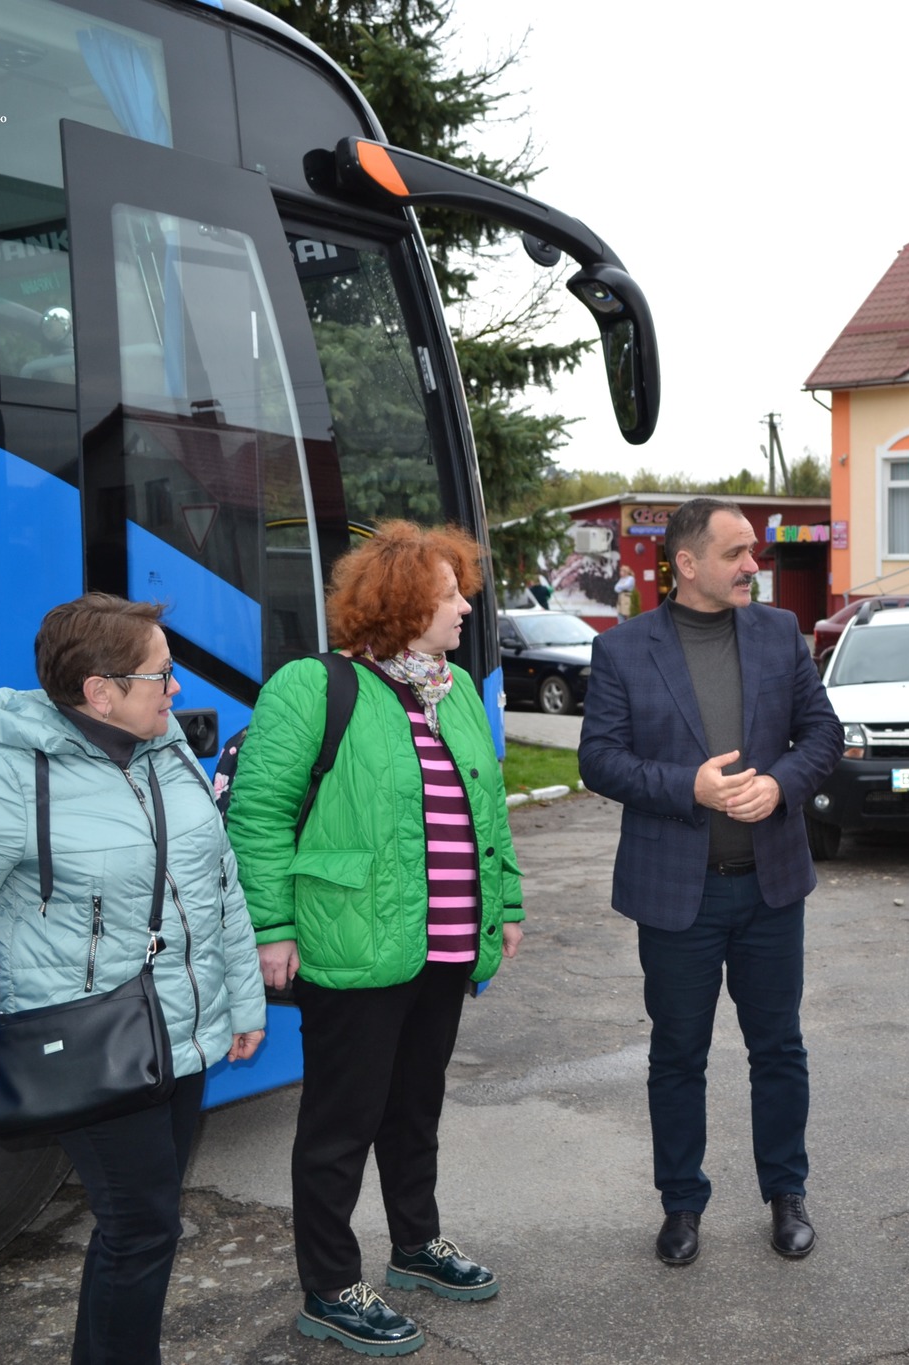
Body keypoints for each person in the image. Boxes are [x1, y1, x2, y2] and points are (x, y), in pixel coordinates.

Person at [0, 594, 266, 1365]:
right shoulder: (13, 767)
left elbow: (219, 883)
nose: (176, 689)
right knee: (142, 1228)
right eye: (162, 675)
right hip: (87, 1034)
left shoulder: (168, 743)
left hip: (178, 1034)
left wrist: (242, 1001)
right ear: (99, 691)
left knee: (139, 1228)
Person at [226, 522, 523, 1358]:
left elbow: (487, 805)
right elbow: (259, 816)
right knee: (340, 1119)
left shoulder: (456, 689)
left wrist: (507, 902)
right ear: (401, 602)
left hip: (446, 939)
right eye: (449, 591)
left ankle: (416, 1245)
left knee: (414, 1106)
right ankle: (329, 1285)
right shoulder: (312, 687)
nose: (465, 605)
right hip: (353, 939)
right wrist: (273, 927)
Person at [577, 497, 842, 1267]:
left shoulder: (778, 635)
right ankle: (681, 1204)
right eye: (736, 553)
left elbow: (823, 733)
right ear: (686, 563)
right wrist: (684, 786)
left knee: (779, 1047)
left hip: (769, 886)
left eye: (752, 551)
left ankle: (786, 1193)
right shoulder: (625, 649)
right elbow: (599, 759)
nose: (752, 565)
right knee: (678, 1053)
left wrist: (783, 784)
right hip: (675, 895)